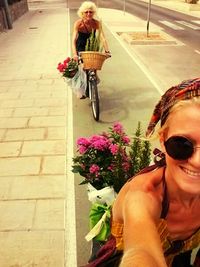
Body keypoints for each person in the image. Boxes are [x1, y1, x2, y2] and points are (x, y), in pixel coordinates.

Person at [85, 77, 200, 267]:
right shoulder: (142, 195)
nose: (197, 162)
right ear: (162, 140)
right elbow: (141, 251)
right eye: (182, 144)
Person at [71, 1, 110, 99]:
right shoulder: (78, 23)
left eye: (91, 12)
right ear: (82, 13)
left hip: (92, 46)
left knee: (94, 65)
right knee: (83, 68)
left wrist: (107, 50)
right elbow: (73, 40)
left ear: (94, 13)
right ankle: (81, 89)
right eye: (86, 12)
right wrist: (75, 54)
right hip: (81, 46)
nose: (89, 14)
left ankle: (94, 78)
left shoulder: (96, 23)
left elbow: (102, 37)